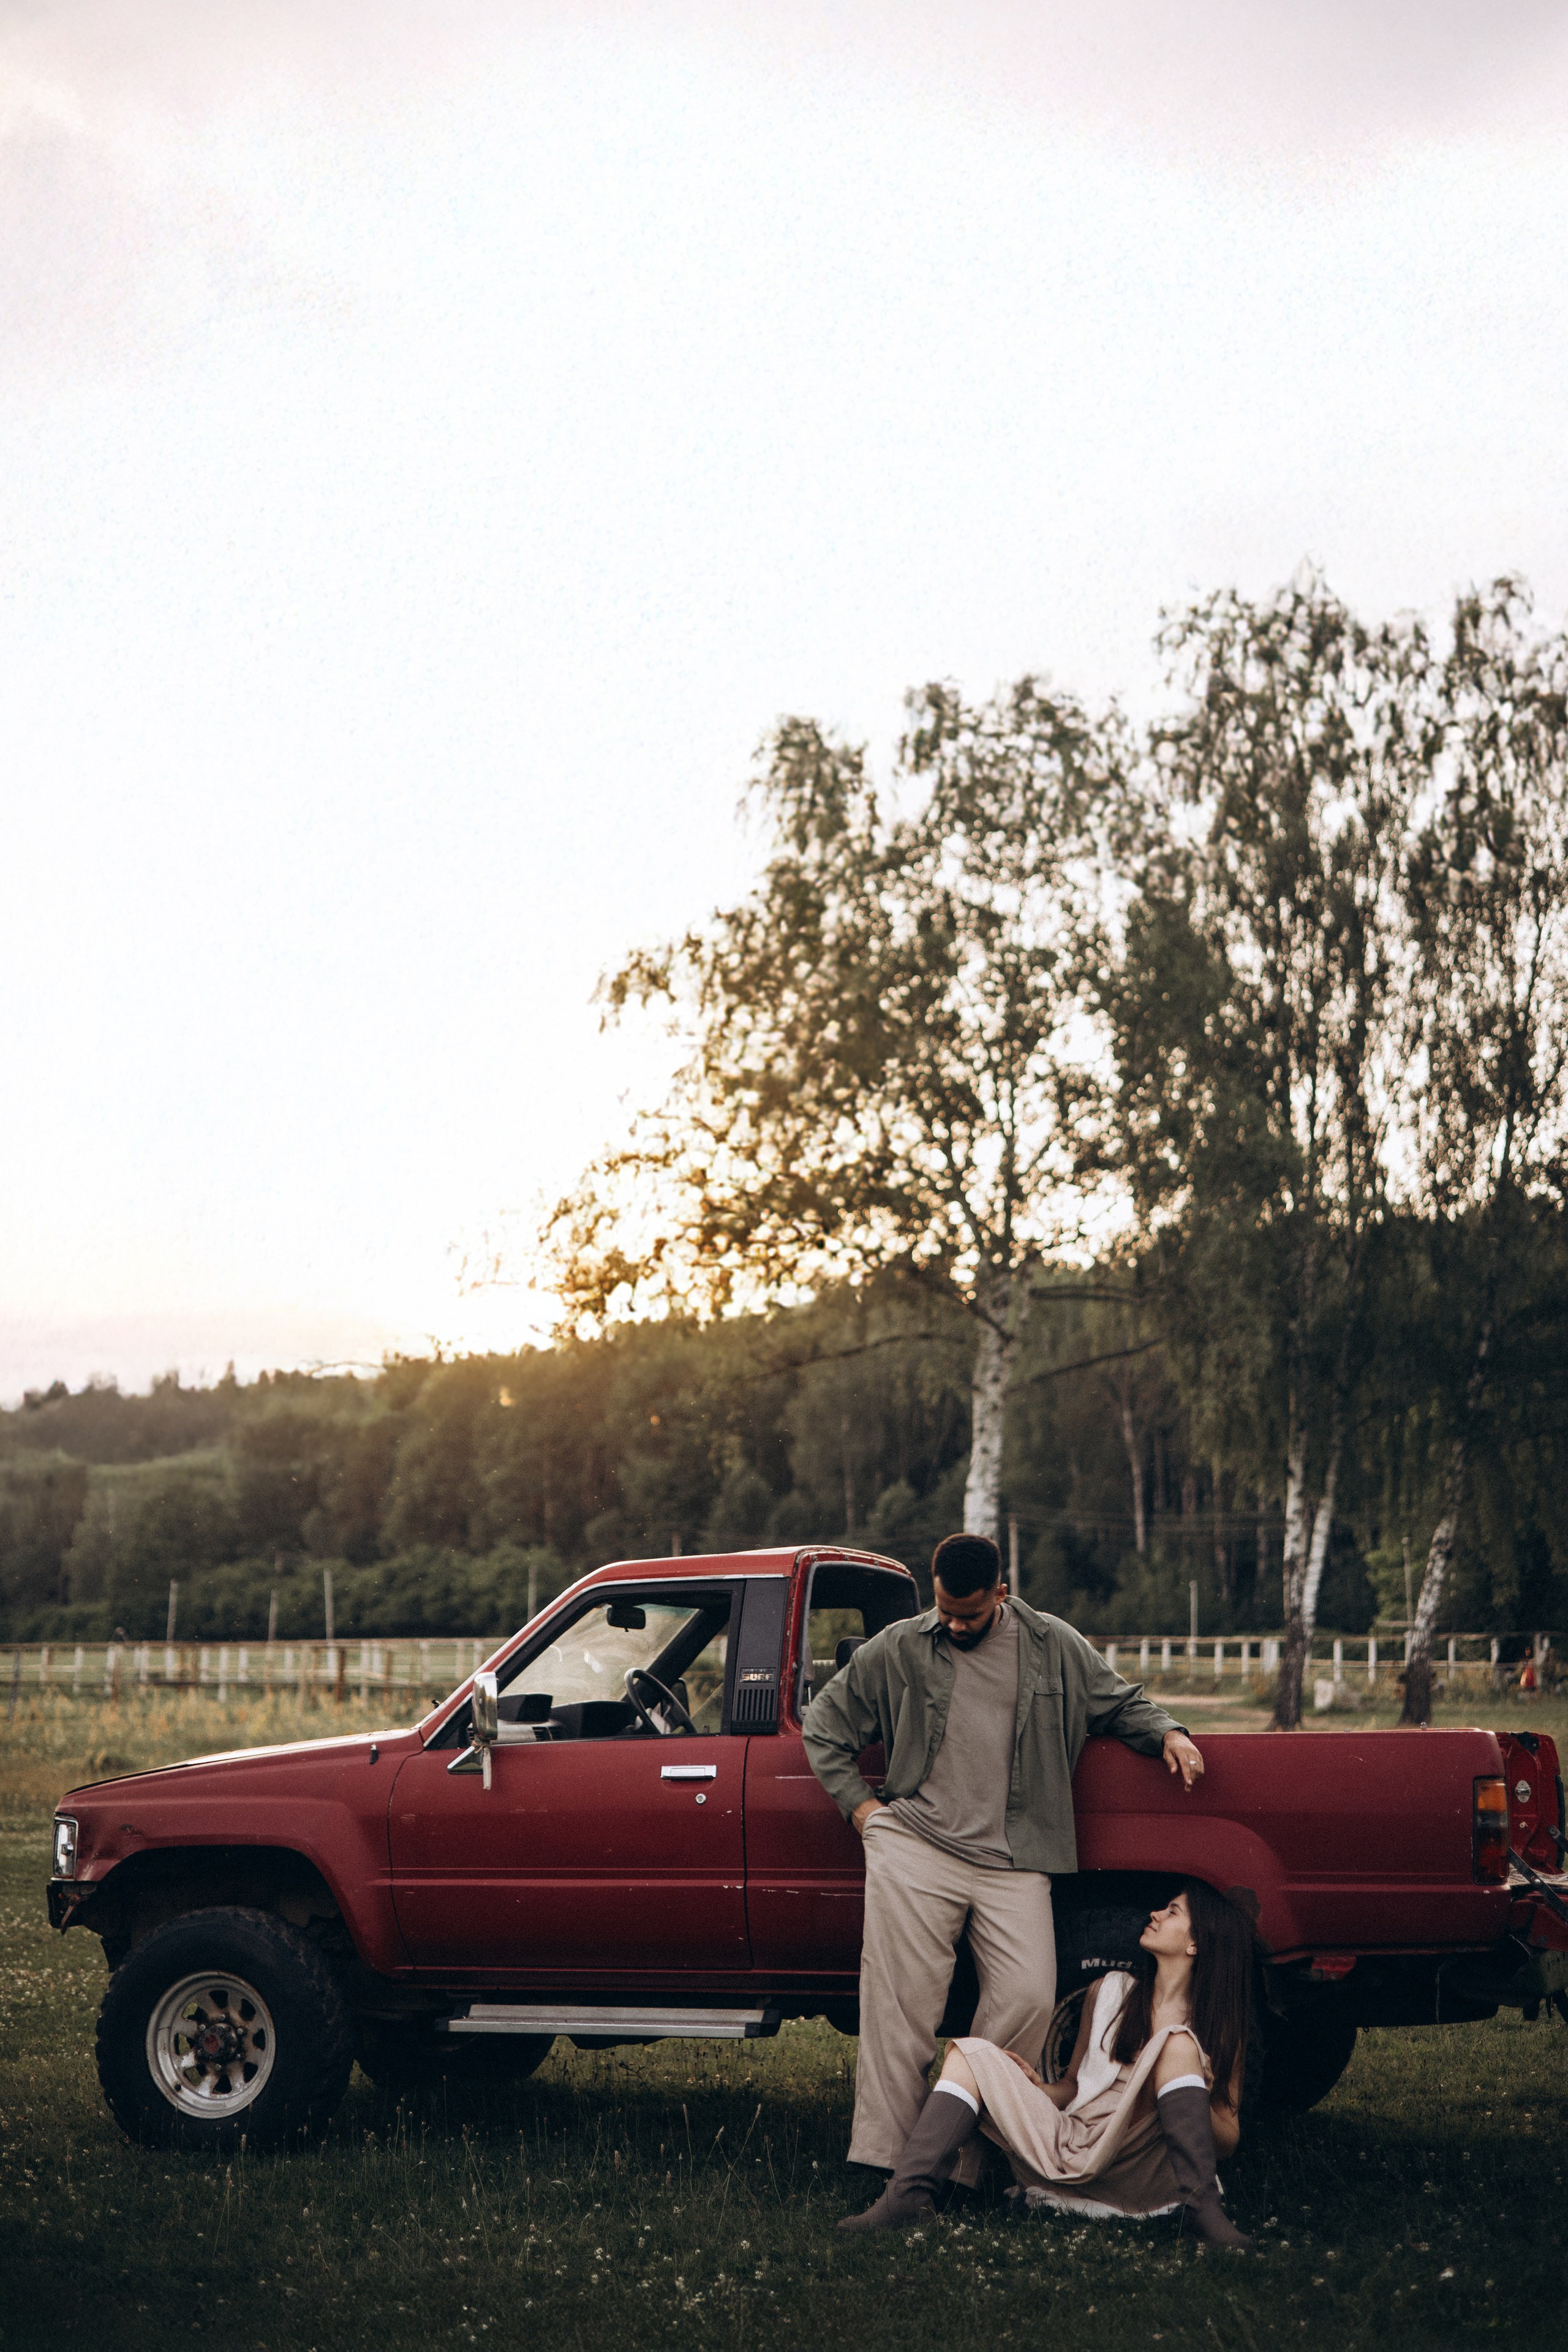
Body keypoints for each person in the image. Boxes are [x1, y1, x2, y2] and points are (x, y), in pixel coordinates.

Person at [802, 1531, 1204, 2190]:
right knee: (899, 2006)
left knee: (1026, 1998)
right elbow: (825, 1723)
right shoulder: (900, 1646)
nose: (956, 1626)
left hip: (1016, 1858)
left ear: (1002, 1593)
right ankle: (883, 2164)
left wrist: (1168, 1731)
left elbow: (1119, 1701)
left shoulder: (1053, 1644)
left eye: (970, 1614)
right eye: (945, 1612)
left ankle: (968, 2164)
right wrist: (865, 1812)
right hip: (916, 1846)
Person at [840, 1881, 1257, 2250]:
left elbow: (1228, 2139)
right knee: (972, 2055)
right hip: (1072, 2146)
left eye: (1173, 1912)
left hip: (1141, 2163)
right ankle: (909, 2196)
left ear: (1195, 1944)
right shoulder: (1110, 1992)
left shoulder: (1213, 2027)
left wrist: (1189, 2093)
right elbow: (1074, 2086)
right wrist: (1036, 2088)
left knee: (1176, 2043)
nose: (1156, 1914)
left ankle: (1203, 2212)